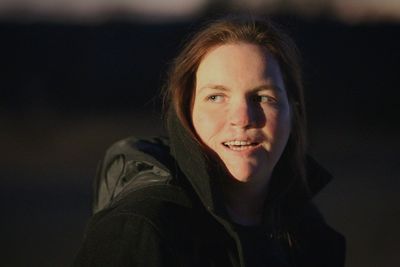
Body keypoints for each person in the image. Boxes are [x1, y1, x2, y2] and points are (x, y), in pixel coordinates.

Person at [74, 15, 345, 267]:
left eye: (263, 97)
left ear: (293, 112)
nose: (242, 118)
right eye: (216, 97)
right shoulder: (142, 229)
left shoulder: (311, 238)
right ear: (186, 111)